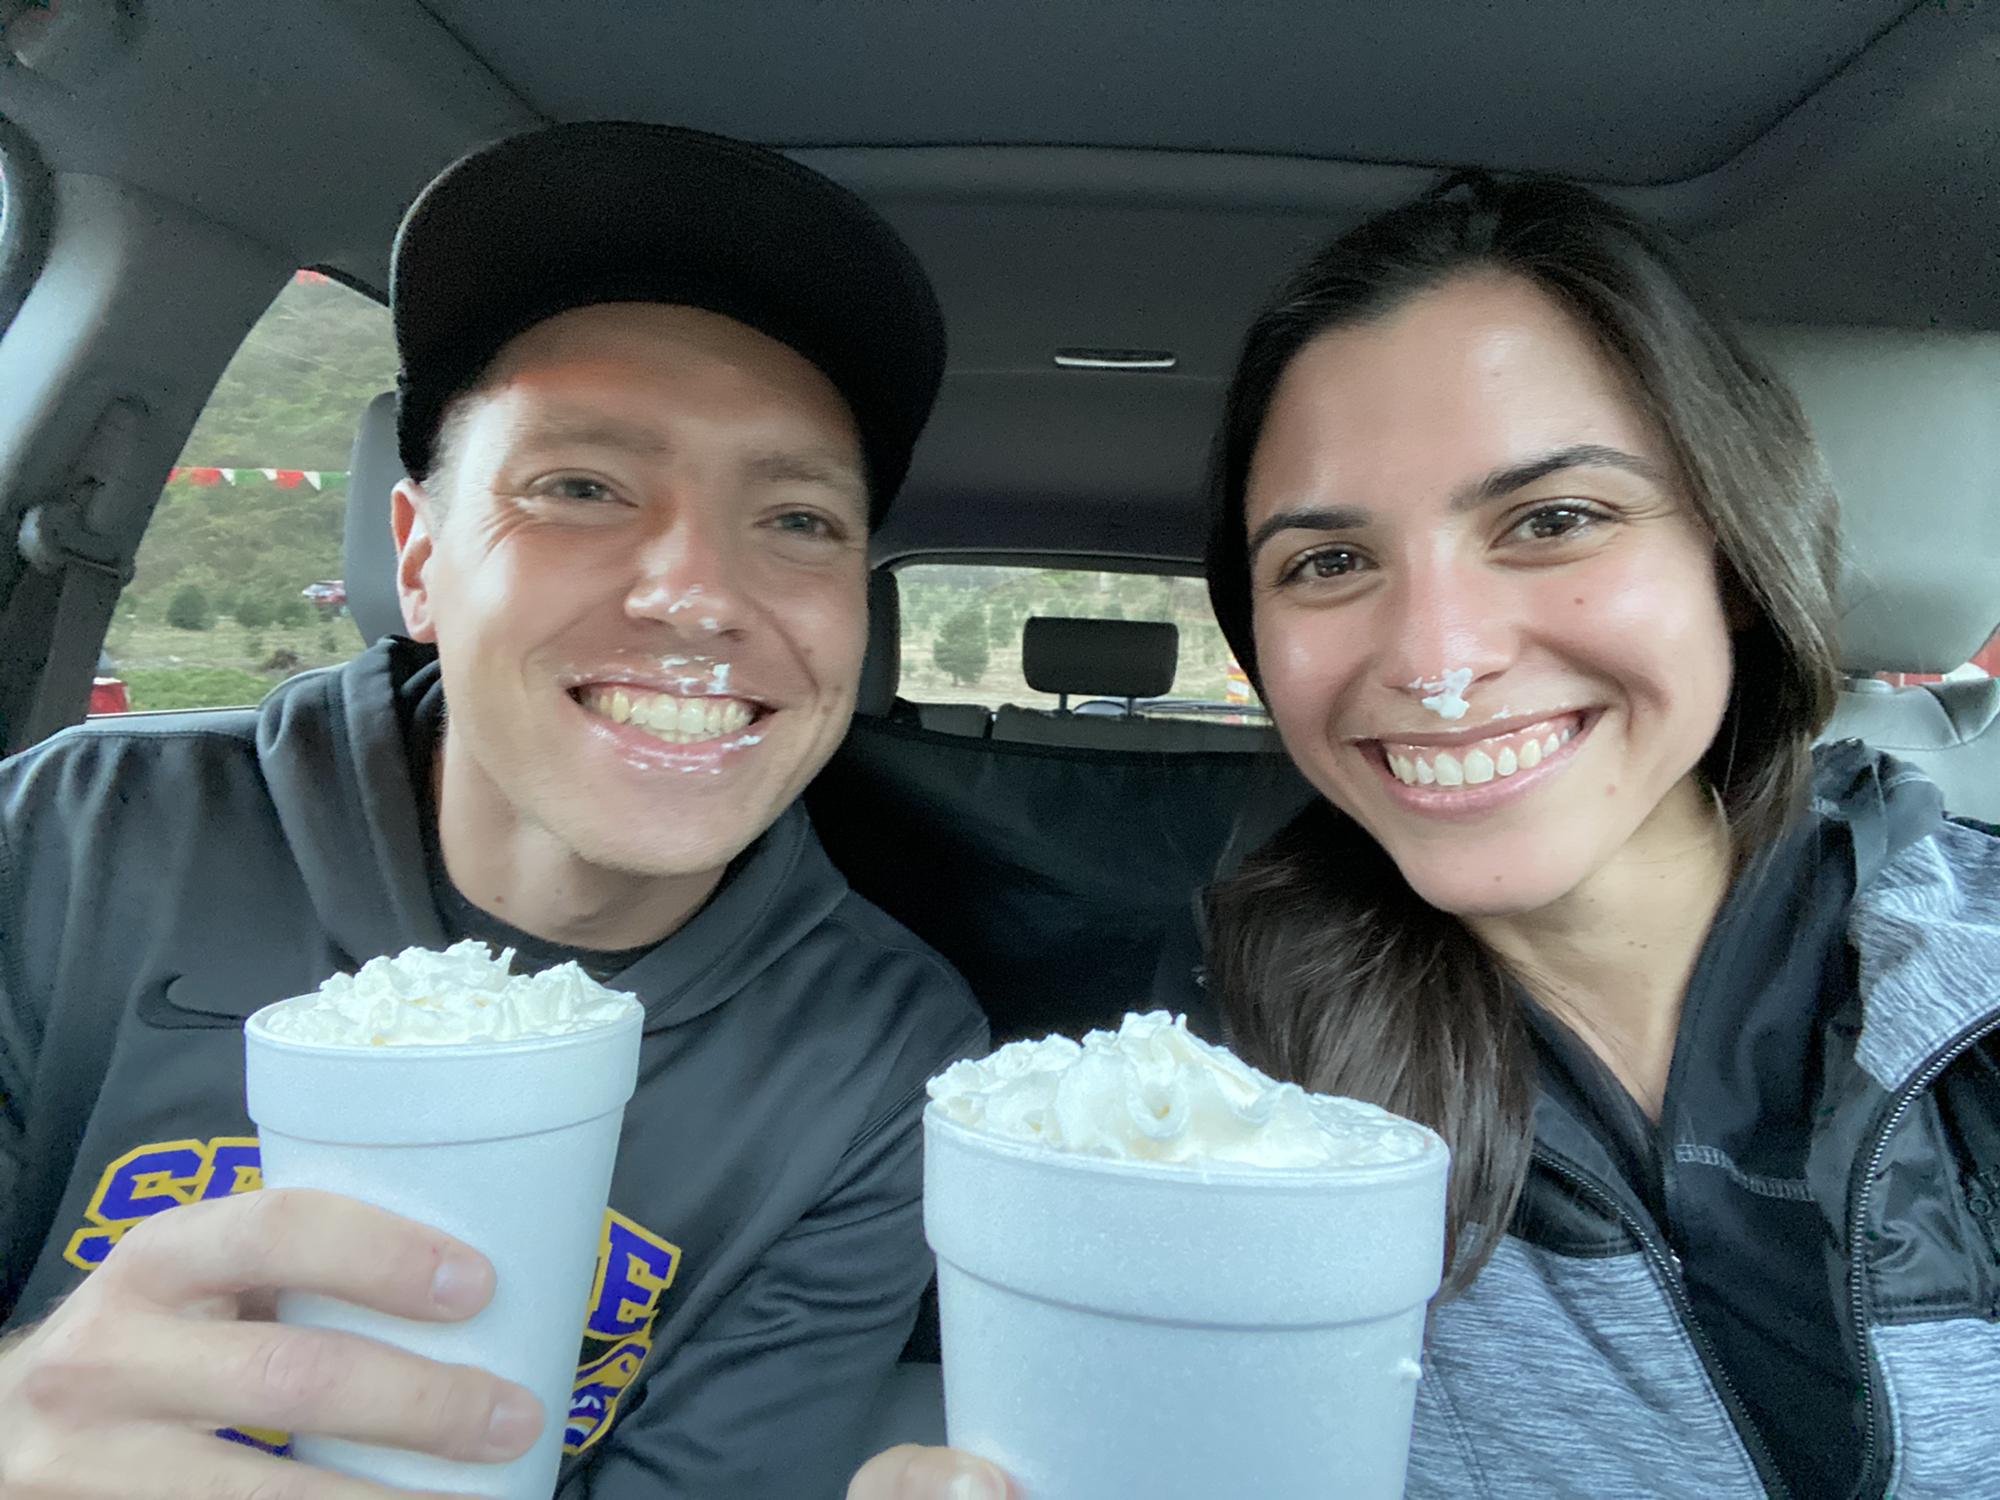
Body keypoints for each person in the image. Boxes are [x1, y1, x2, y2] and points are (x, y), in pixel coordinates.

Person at [849, 175, 2000, 1500]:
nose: (1438, 659)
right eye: (1329, 563)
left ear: (1734, 561)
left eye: (1554, 519)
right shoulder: (1233, 1092)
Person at [0, 121, 987, 1499]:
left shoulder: (883, 1059)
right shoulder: (76, 839)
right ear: (418, 560)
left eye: (798, 521)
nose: (696, 593)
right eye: (578, 488)